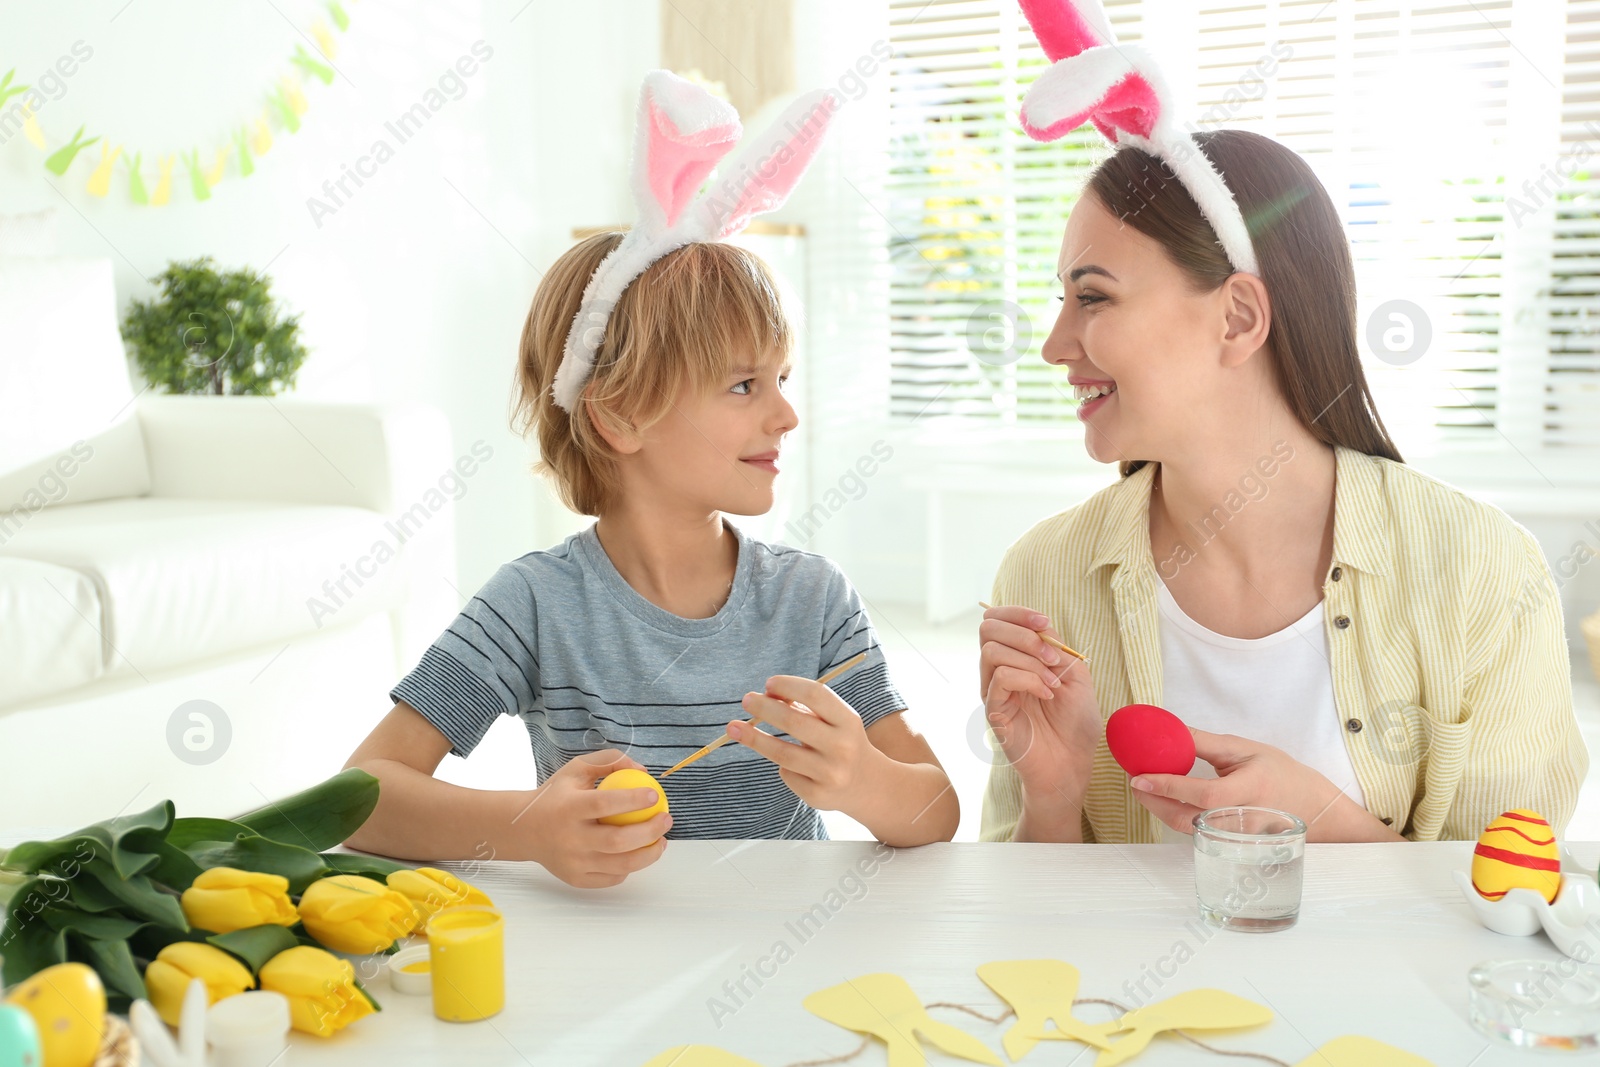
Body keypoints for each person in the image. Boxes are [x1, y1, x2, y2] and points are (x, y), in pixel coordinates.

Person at [978, 0, 1587, 844]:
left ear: (1236, 319)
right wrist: (1052, 794)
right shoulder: (1046, 578)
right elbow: (1034, 946)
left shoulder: (1483, 573)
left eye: (1093, 297)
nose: (1054, 345)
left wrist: (1322, 820)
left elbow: (1506, 920)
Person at [343, 72, 957, 888]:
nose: (785, 416)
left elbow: (936, 809)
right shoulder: (534, 604)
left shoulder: (812, 599)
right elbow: (361, 799)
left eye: (783, 379)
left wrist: (866, 782)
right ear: (619, 416)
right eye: (744, 386)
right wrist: (529, 829)